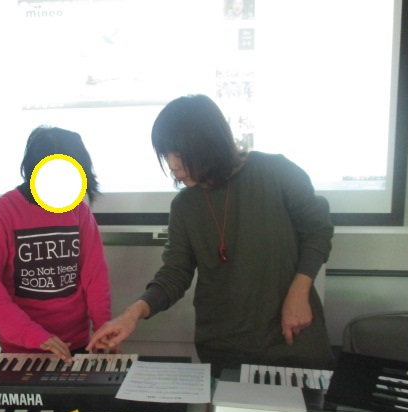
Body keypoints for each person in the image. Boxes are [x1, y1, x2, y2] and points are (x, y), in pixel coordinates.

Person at [87, 94, 335, 376]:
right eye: (166, 155)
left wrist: (299, 292)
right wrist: (131, 314)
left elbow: (317, 231)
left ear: (207, 143)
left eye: (178, 153)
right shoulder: (184, 205)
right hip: (224, 349)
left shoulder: (275, 171)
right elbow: (175, 273)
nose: (172, 165)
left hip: (292, 339)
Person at [0, 126, 111, 362]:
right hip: (21, 350)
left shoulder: (79, 211)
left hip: (77, 345)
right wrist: (33, 335)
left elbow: (95, 276)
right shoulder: (2, 213)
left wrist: (103, 330)